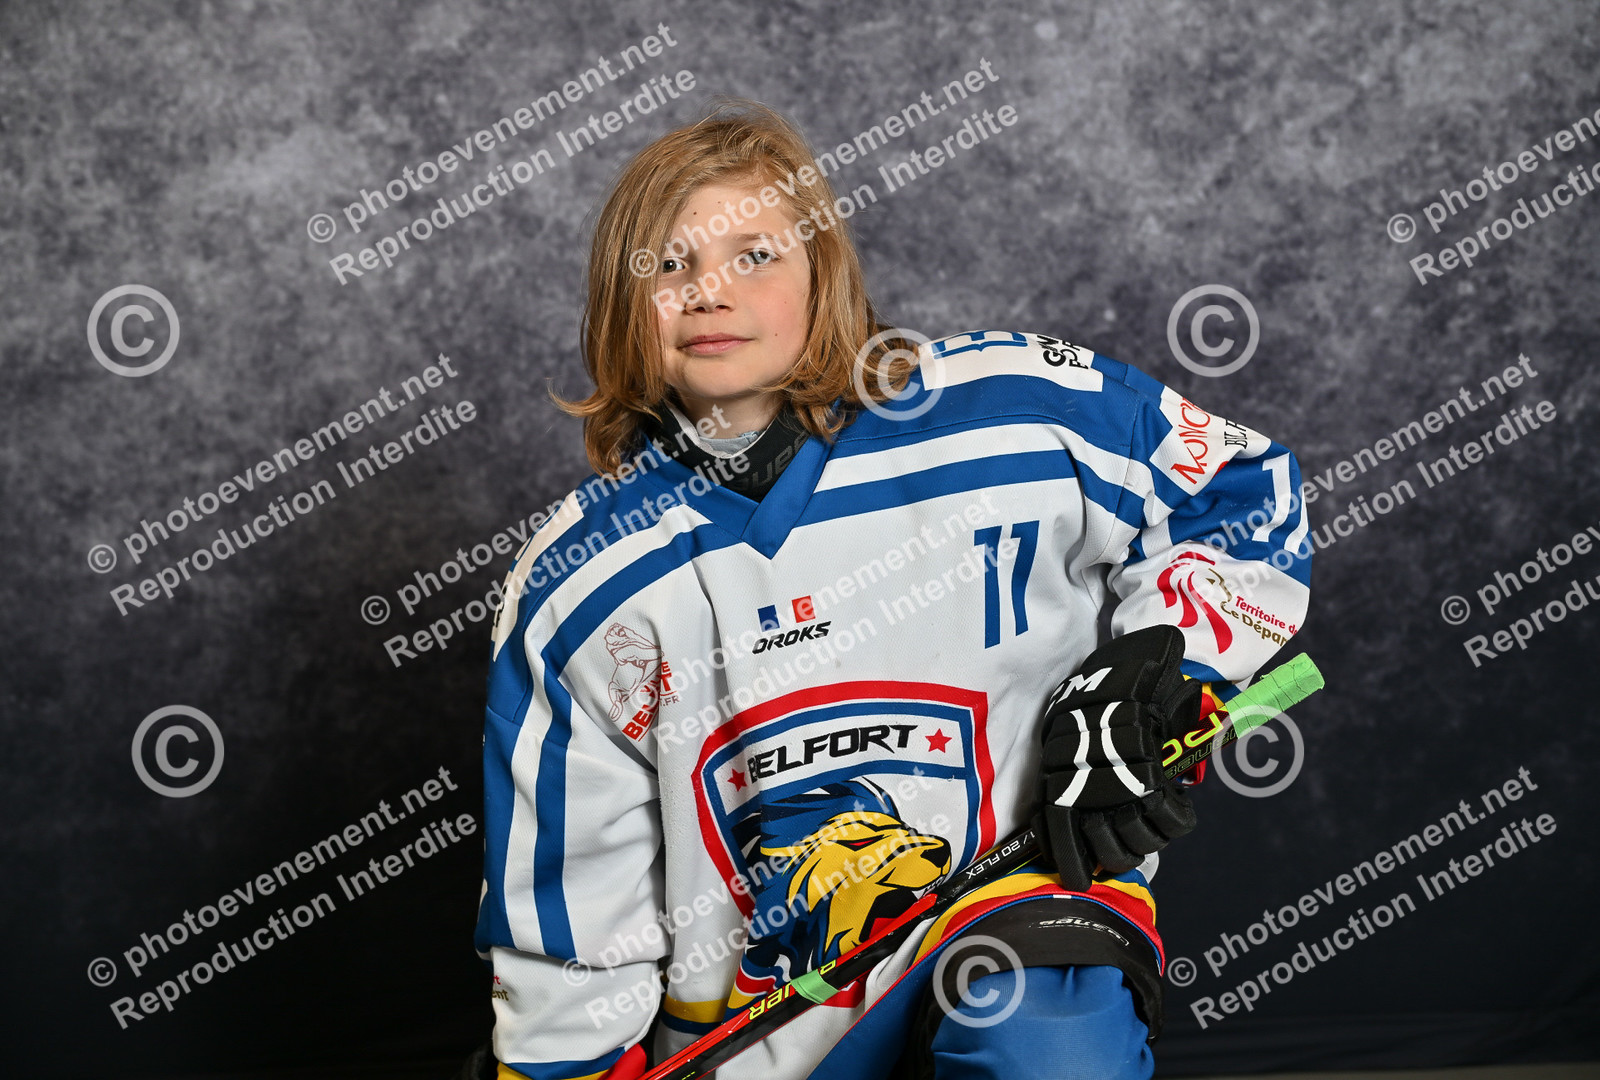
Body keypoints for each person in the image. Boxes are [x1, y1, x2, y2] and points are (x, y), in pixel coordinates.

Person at [470, 98, 1311, 1080]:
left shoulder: (1010, 416)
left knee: (1042, 1040)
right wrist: (562, 1070)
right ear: (621, 305)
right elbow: (576, 898)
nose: (707, 293)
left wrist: (1156, 678)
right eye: (667, 265)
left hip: (1014, 933)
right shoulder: (580, 582)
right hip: (761, 1044)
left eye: (753, 255)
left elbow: (1240, 496)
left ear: (823, 273)